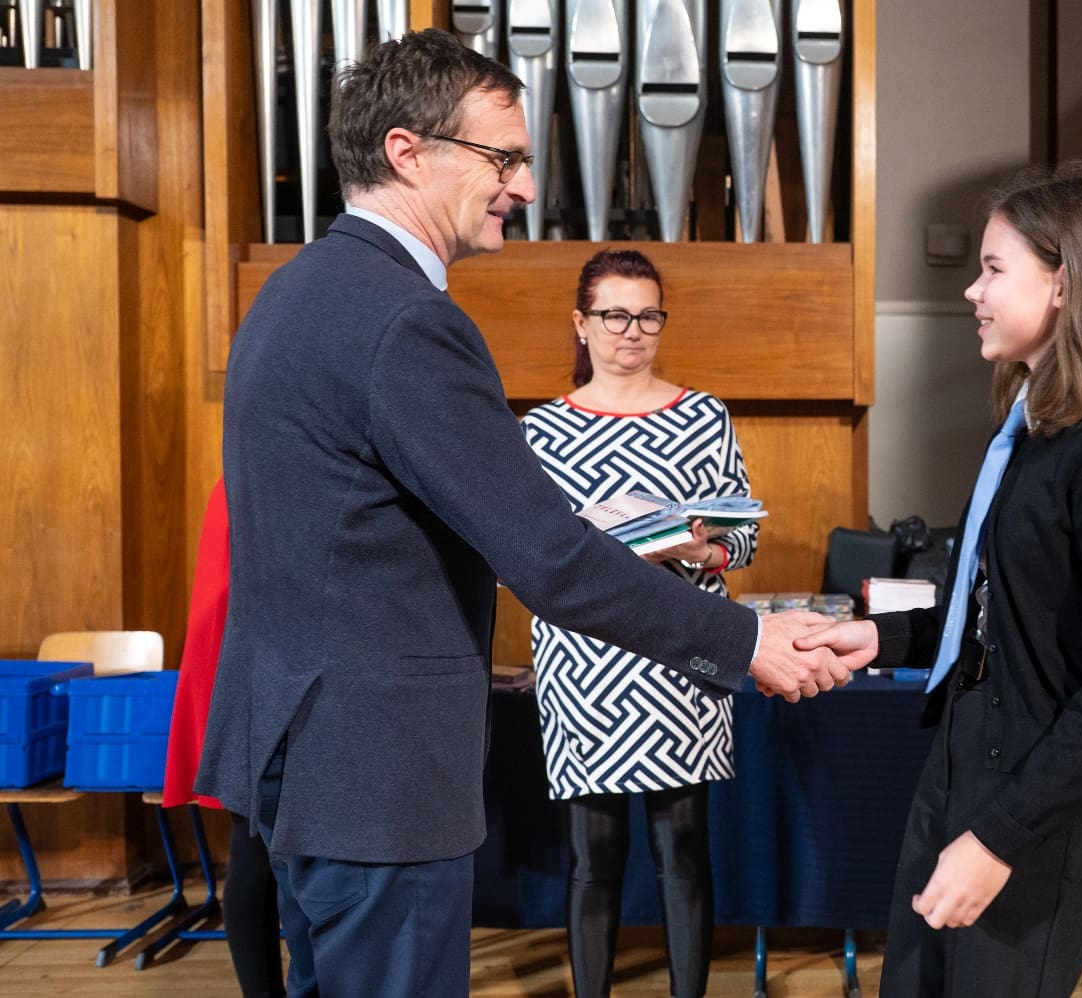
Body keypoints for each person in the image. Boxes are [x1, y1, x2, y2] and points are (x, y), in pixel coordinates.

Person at [193, 29, 851, 998]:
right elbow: (548, 555)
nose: (527, 186)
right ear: (407, 152)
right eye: (502, 157)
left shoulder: (291, 293)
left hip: (298, 755)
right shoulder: (406, 321)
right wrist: (743, 638)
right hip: (377, 778)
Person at [799, 161, 1082, 996]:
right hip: (963, 763)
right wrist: (882, 637)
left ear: (1066, 283)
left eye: (993, 269)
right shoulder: (1031, 430)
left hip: (1039, 806)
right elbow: (997, 612)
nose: (971, 292)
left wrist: (998, 838)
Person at [520, 248, 754, 998]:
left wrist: (699, 548)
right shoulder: (541, 431)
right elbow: (527, 554)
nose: (632, 331)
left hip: (684, 654)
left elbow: (743, 537)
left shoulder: (703, 415)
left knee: (683, 849)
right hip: (584, 663)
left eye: (648, 315)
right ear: (581, 323)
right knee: (592, 856)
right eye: (615, 315)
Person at [161, 479, 283, 998]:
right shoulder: (260, 476)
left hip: (239, 667)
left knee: (255, 848)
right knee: (255, 849)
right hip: (251, 672)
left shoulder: (242, 470)